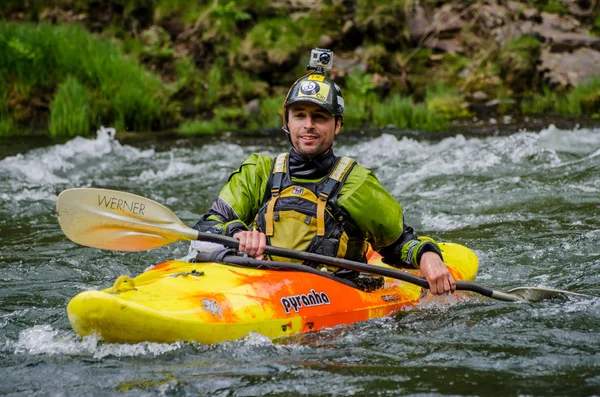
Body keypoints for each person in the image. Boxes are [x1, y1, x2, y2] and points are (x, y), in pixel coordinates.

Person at [193, 69, 456, 295]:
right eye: (299, 116)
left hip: (332, 293)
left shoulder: (356, 183)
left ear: (337, 124)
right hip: (262, 285)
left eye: (319, 117)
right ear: (287, 121)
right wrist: (238, 232)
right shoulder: (258, 172)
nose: (308, 125)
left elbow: (398, 244)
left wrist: (427, 255)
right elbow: (207, 226)